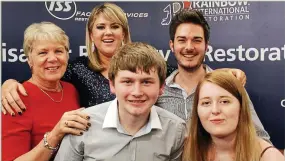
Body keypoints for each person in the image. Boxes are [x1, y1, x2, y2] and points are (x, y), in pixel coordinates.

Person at [1, 3, 246, 116]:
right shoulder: (75, 69)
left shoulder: (149, 65)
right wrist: (9, 83)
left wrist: (223, 74)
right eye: (101, 27)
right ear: (91, 35)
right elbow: (44, 80)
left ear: (124, 32)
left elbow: (185, 70)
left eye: (115, 26)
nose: (108, 32)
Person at [54, 42, 187, 161]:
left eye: (146, 82)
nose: (137, 92)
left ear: (161, 87)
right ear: (112, 85)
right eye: (127, 82)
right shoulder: (82, 125)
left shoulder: (175, 130)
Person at [155, 9, 271, 142]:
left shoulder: (229, 85)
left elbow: (260, 138)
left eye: (197, 40)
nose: (189, 47)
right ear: (172, 45)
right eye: (182, 40)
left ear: (206, 46)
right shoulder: (158, 92)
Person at [2, 22, 90, 161]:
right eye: (43, 53)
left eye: (58, 51)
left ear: (67, 55)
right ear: (29, 59)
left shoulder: (71, 89)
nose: (52, 59)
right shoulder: (16, 98)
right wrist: (55, 134)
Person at [182, 70, 284, 161]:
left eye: (224, 101)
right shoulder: (189, 151)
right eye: (206, 103)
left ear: (241, 107)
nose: (215, 110)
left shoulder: (269, 157)